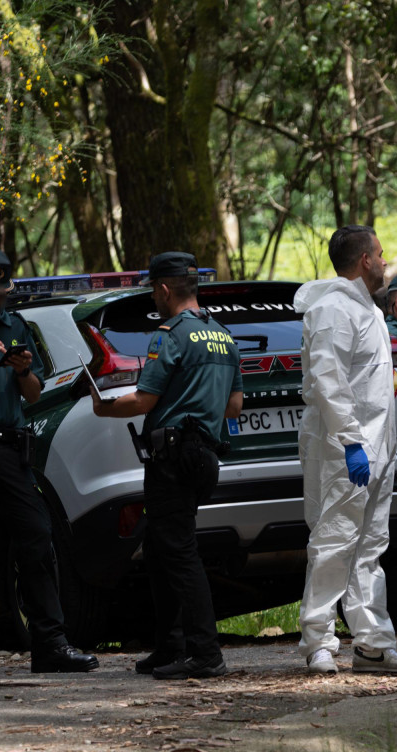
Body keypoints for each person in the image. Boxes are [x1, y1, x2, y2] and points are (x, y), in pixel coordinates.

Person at [0, 246, 98, 677]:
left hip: (11, 448)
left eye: (1, 294)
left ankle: (50, 644)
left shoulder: (16, 325)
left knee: (36, 537)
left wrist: (22, 370)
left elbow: (33, 393)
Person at [91, 252, 243, 681]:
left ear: (163, 289)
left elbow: (144, 401)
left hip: (173, 458)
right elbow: (234, 406)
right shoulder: (223, 336)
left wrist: (103, 406)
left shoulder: (170, 336)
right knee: (160, 549)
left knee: (178, 552)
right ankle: (170, 646)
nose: (153, 300)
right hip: (204, 456)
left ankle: (206, 653)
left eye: (153, 293)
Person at [294, 225, 397, 676]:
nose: (386, 262)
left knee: (370, 547)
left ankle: (372, 644)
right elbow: (328, 381)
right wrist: (350, 442)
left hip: (376, 445)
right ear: (365, 260)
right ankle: (318, 641)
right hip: (341, 447)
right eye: (381, 254)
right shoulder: (331, 310)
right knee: (334, 542)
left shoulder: (368, 310)